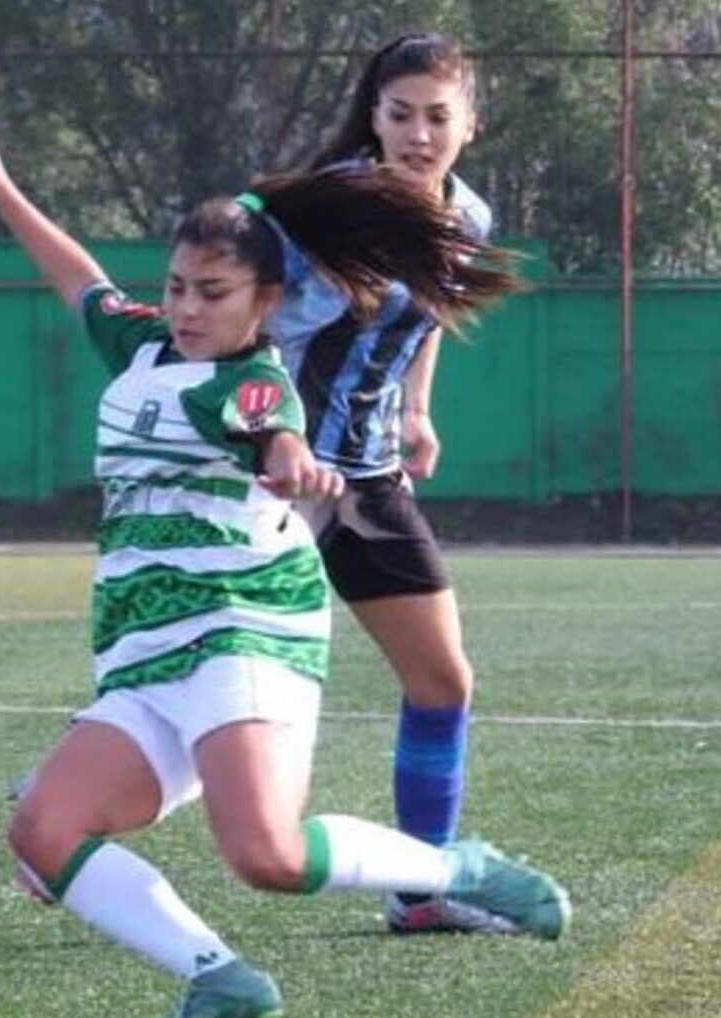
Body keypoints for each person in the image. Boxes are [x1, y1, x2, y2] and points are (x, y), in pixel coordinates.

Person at [0, 104, 567, 1018]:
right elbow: (77, 276)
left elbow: (274, 429)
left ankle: (456, 869)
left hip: (242, 631)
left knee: (268, 856)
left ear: (264, 303)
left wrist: (293, 460)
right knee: (44, 830)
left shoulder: (252, 381)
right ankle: (221, 981)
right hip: (147, 653)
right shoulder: (145, 343)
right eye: (181, 286)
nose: (192, 308)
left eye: (216, 292)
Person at [277, 33, 505, 934]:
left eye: (436, 117)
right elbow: (249, 316)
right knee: (218, 693)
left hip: (368, 481)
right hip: (280, 480)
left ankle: (421, 894)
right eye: (400, 113)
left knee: (443, 679)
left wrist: (417, 408)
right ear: (372, 116)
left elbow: (436, 309)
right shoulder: (329, 209)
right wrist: (274, 438)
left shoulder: (469, 218)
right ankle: (62, 816)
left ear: (469, 125)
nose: (418, 133)